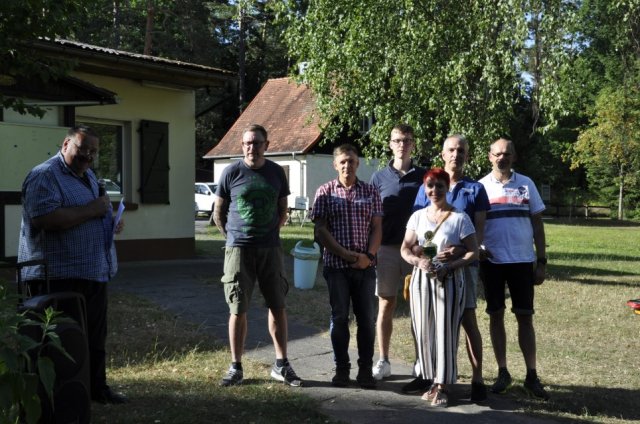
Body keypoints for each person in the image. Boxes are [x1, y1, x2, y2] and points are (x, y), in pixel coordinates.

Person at [18, 125, 127, 404]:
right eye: (82, 148)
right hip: (57, 276)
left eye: (93, 151)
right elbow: (45, 219)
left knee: (93, 337)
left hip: (93, 271)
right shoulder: (44, 175)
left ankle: (96, 389)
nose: (87, 155)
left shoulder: (88, 175)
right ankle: (57, 398)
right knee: (61, 341)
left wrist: (110, 220)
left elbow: (95, 211)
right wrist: (94, 210)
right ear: (65, 144)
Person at [213, 124, 302, 387]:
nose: (252, 147)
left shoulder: (276, 172)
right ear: (242, 146)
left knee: (277, 305)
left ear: (267, 145)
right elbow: (218, 213)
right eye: (248, 143)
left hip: (270, 249)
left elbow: (283, 208)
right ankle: (236, 367)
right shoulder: (231, 172)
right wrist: (232, 237)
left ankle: (281, 364)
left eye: (257, 143)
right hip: (238, 250)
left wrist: (272, 231)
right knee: (237, 308)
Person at [413, 135, 490, 401]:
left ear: (467, 155)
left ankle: (477, 379)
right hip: (431, 270)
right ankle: (430, 376)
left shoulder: (475, 189)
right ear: (443, 154)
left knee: (467, 320)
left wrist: (459, 250)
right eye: (451, 150)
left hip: (463, 268)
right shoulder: (427, 184)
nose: (456, 154)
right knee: (430, 322)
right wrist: (423, 257)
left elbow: (478, 231)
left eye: (461, 150)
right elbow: (421, 230)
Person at [400, 168, 478, 407]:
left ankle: (443, 385)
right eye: (430, 186)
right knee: (423, 330)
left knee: (446, 331)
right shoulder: (417, 216)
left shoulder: (459, 217)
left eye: (440, 186)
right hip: (421, 279)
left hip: (449, 279)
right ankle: (431, 380)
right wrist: (417, 261)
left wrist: (452, 265)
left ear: (447, 188)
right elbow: (405, 248)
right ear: (425, 188)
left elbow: (474, 251)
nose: (434, 191)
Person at [478, 138, 549, 400]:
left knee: (525, 317)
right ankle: (503, 372)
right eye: (497, 154)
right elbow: (475, 225)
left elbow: (538, 225)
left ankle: (532, 375)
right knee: (495, 315)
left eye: (507, 154)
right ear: (490, 157)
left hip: (522, 262)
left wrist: (541, 261)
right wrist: (478, 248)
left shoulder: (526, 184)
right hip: (492, 262)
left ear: (514, 157)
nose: (502, 158)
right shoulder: (481, 187)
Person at [312, 144, 382, 389]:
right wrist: (346, 255)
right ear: (335, 164)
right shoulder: (324, 192)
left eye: (351, 161)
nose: (347, 165)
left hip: (365, 267)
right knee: (339, 317)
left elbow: (377, 228)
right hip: (336, 267)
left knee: (367, 320)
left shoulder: (371, 191)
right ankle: (342, 370)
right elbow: (320, 230)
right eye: (342, 161)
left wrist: (368, 256)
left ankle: (365, 371)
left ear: (357, 163)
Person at [368, 124, 426, 385]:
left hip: (416, 251)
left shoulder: (424, 176)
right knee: (386, 304)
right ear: (390, 144)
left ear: (413, 144)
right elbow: (371, 216)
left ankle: (421, 360)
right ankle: (384, 359)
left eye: (407, 140)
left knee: (419, 307)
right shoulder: (378, 178)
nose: (402, 144)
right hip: (387, 249)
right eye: (398, 140)